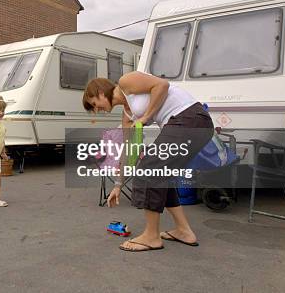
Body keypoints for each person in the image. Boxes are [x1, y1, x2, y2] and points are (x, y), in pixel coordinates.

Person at [83, 72, 213, 252]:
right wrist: (118, 185)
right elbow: (130, 151)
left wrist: (145, 118)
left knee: (150, 168)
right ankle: (184, 231)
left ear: (100, 92)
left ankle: (151, 236)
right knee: (160, 174)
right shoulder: (128, 116)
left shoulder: (125, 82)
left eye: (94, 104)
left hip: (190, 117)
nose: (97, 110)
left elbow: (162, 85)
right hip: (187, 126)